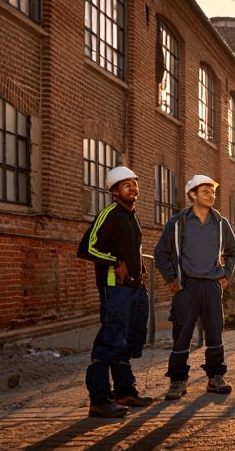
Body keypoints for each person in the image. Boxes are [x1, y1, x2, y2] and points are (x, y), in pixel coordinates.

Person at [78, 166, 156, 418]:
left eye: (134, 183)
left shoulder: (131, 215)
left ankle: (124, 392)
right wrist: (114, 262)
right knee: (110, 341)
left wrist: (140, 268)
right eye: (126, 185)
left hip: (135, 289)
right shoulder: (109, 215)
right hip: (116, 289)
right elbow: (87, 248)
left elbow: (132, 249)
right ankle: (99, 400)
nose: (132, 188)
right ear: (114, 191)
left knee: (130, 341)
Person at [153, 174, 235, 400]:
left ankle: (215, 378)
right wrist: (172, 279)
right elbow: (160, 253)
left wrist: (227, 275)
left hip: (211, 286)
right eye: (205, 192)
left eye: (213, 192)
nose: (211, 196)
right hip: (187, 287)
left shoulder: (221, 223)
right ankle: (177, 381)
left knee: (215, 332)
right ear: (192, 195)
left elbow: (233, 250)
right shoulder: (177, 222)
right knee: (182, 333)